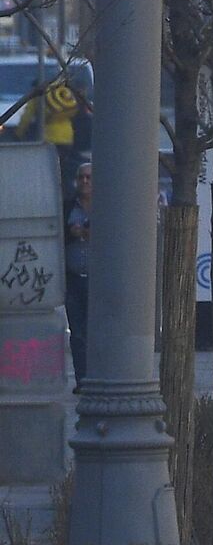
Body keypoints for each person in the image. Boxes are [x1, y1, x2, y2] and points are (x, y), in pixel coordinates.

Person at [64, 162, 90, 381]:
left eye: (89, 178)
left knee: (98, 330)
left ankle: (98, 374)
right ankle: (82, 378)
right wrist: (72, 233)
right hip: (73, 278)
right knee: (78, 332)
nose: (84, 182)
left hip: (99, 279)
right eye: (81, 177)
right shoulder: (69, 207)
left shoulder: (106, 207)